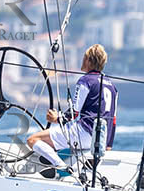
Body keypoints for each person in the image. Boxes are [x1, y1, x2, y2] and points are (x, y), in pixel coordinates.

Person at [27, 44, 117, 177]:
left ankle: (61, 166)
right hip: (100, 140)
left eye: (84, 57)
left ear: (89, 60)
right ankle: (58, 160)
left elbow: (74, 112)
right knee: (58, 140)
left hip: (83, 133)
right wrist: (108, 145)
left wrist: (56, 118)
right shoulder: (112, 86)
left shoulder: (85, 81)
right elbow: (113, 120)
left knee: (33, 139)